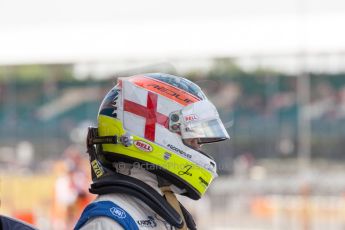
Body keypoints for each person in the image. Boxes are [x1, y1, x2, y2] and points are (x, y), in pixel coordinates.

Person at [74, 73, 229, 230]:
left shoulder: (163, 206)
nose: (198, 145)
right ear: (158, 134)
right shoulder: (108, 222)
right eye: (191, 136)